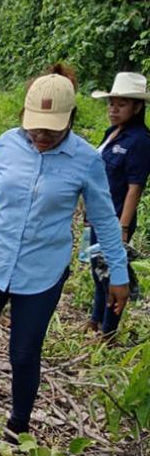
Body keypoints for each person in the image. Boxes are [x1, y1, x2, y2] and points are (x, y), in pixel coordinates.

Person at [0, 65, 129, 438]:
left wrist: (118, 276)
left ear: (71, 119)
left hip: (42, 273)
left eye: (51, 129)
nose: (39, 136)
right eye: (34, 127)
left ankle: (17, 429)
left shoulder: (87, 160)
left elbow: (105, 221)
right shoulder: (8, 142)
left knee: (24, 356)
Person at [87, 72, 150, 336]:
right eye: (111, 103)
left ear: (136, 107)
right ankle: (95, 319)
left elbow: (135, 187)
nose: (113, 109)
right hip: (98, 214)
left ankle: (108, 332)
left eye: (121, 104)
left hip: (115, 218)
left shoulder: (140, 141)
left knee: (112, 276)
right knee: (97, 271)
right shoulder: (112, 133)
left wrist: (122, 228)